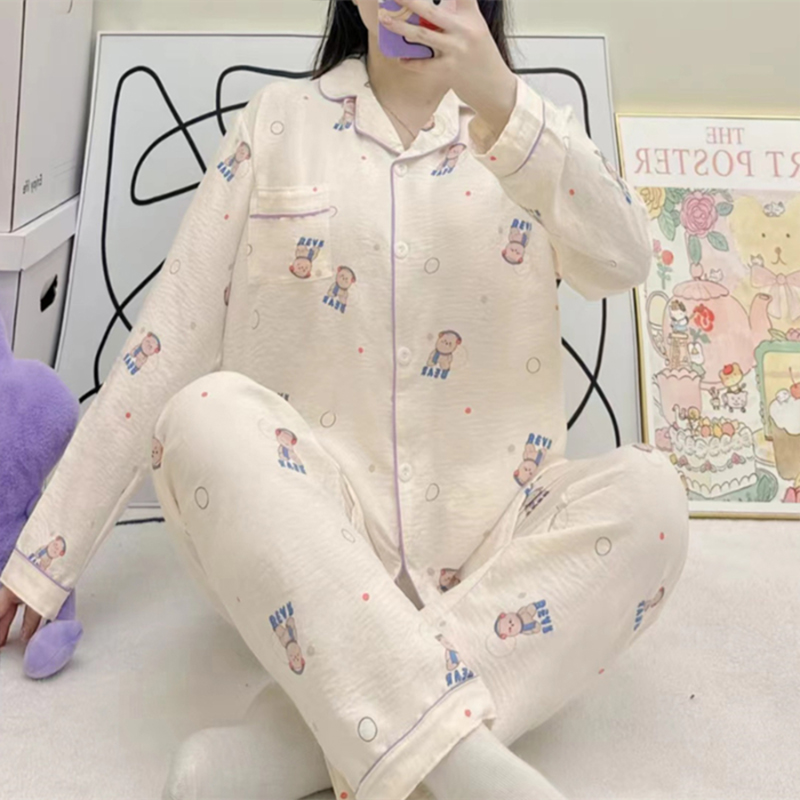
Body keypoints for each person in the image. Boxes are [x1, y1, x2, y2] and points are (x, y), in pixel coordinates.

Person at [0, 1, 690, 799]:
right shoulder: (277, 122)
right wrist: (46, 556)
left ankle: (300, 744)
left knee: (653, 499)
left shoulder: (529, 129)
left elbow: (624, 260)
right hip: (307, 549)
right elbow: (172, 330)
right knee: (202, 413)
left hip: (499, 537)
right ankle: (463, 769)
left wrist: (502, 100)